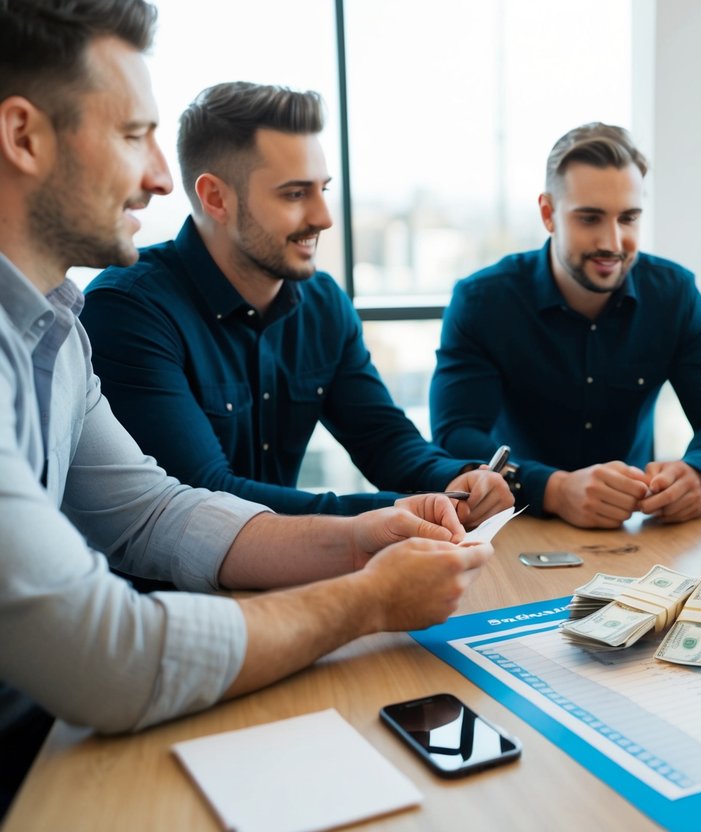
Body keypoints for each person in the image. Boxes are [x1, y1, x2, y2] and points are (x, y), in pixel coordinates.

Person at [0, 0, 491, 809]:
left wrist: (360, 536)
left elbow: (155, 512)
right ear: (23, 137)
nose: (157, 176)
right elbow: (107, 656)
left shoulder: (59, 327)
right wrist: (366, 596)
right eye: (132, 136)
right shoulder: (122, 307)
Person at [79, 81, 511, 525]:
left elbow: (384, 441)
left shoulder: (323, 304)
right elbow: (206, 495)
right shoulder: (128, 310)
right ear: (216, 198)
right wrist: (395, 512)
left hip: (292, 573)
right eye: (294, 194)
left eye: (322, 189)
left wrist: (460, 480)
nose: (323, 217)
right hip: (170, 590)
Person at [429, 123, 701, 529]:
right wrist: (553, 489)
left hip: (634, 532)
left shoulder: (674, 294)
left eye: (628, 218)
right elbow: (454, 435)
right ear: (548, 214)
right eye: (590, 218)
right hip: (513, 527)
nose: (613, 242)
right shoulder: (482, 301)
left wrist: (700, 474)